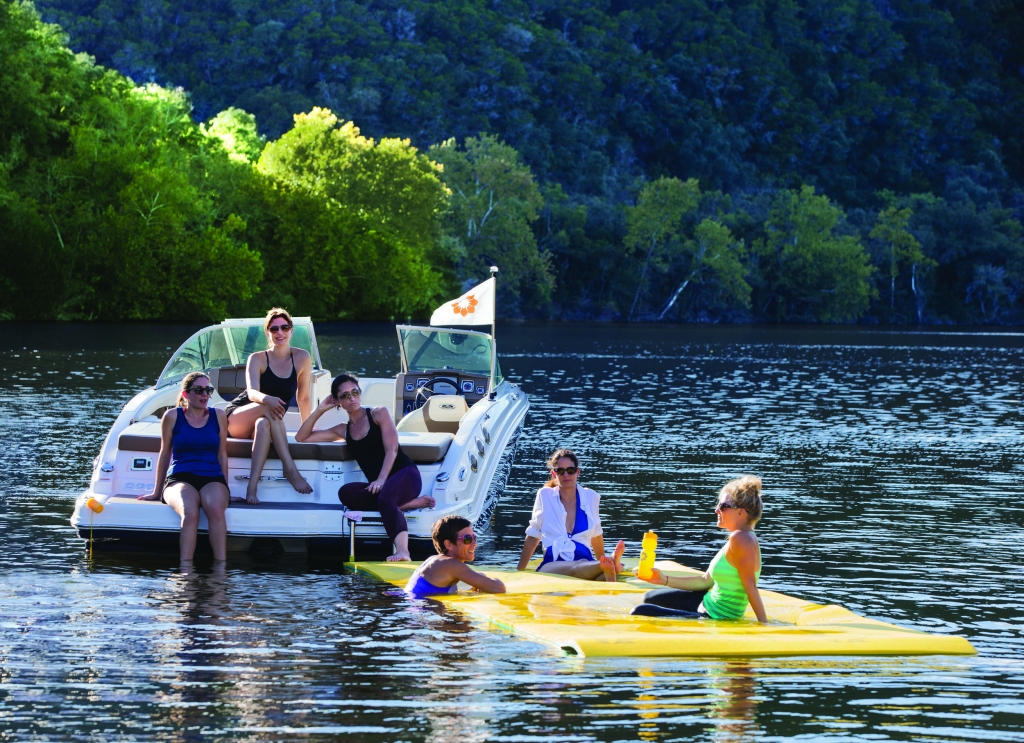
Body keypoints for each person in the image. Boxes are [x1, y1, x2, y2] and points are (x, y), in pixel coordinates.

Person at [295, 373, 434, 561]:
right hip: (380, 487)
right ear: (337, 401)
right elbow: (301, 437)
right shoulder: (342, 430)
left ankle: (403, 552)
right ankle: (410, 504)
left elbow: (392, 449)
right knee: (346, 493)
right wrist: (321, 409)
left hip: (404, 475)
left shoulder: (378, 413)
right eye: (344, 396)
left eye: (355, 392)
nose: (352, 398)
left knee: (385, 499)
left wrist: (381, 479)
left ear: (360, 393)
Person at [633, 476, 767, 623]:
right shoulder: (742, 537)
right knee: (649, 598)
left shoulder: (741, 538)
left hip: (713, 616)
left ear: (740, 512)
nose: (717, 510)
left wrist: (764, 624)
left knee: (640, 612)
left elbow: (750, 586)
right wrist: (662, 579)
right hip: (705, 603)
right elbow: (705, 581)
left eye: (723, 506)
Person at [137, 372, 230, 563]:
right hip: (180, 477)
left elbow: (222, 454)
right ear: (186, 394)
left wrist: (225, 489)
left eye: (208, 390)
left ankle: (221, 570)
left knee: (215, 508)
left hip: (212, 476)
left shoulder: (218, 415)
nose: (205, 395)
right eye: (199, 390)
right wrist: (156, 491)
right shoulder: (172, 416)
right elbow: (164, 454)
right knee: (190, 512)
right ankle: (185, 571)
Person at [225, 308, 313, 503]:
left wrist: (306, 429)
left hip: (265, 420)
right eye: (274, 329)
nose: (279, 332)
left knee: (263, 425)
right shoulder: (257, 358)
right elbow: (252, 392)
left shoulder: (302, 358)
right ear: (267, 332)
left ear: (292, 331)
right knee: (269, 410)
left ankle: (252, 488)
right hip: (238, 417)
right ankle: (289, 468)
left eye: (284, 327)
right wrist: (267, 399)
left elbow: (304, 397)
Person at [516, 448, 625, 581]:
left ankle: (607, 568)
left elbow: (596, 535)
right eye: (560, 471)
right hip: (553, 563)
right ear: (554, 474)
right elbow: (533, 536)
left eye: (570, 470)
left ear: (577, 472)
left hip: (585, 559)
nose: (566, 474)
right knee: (576, 568)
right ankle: (611, 565)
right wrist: (519, 571)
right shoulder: (545, 496)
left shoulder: (591, 497)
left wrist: (602, 559)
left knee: (591, 573)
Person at [404, 516, 506, 598]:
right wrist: (488, 580)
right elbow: (499, 588)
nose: (474, 543)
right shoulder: (451, 564)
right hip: (422, 614)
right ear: (449, 544)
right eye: (467, 539)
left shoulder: (437, 560)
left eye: (474, 538)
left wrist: (479, 578)